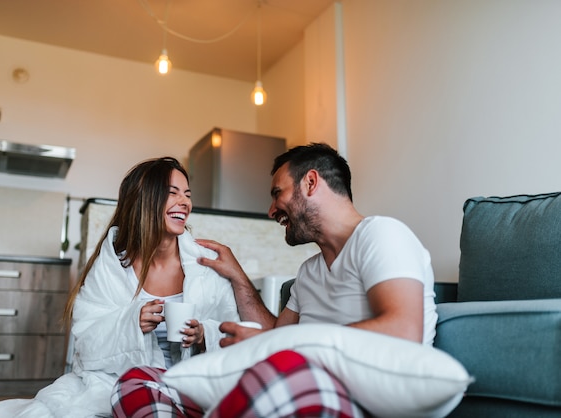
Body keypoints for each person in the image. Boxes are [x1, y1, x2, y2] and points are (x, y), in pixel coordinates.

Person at [111, 143, 438, 417]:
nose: (271, 210)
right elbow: (277, 336)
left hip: (355, 392)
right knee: (138, 383)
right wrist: (238, 276)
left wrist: (289, 347)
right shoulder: (309, 272)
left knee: (271, 379)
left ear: (311, 183)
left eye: (277, 193)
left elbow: (403, 331)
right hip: (289, 377)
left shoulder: (381, 235)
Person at [0, 157, 241, 418]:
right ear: (144, 200)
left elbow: (236, 336)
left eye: (187, 194)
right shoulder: (112, 267)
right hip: (117, 382)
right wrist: (131, 321)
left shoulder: (205, 266)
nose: (184, 202)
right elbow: (87, 341)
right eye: (172, 193)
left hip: (191, 382)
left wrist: (204, 333)